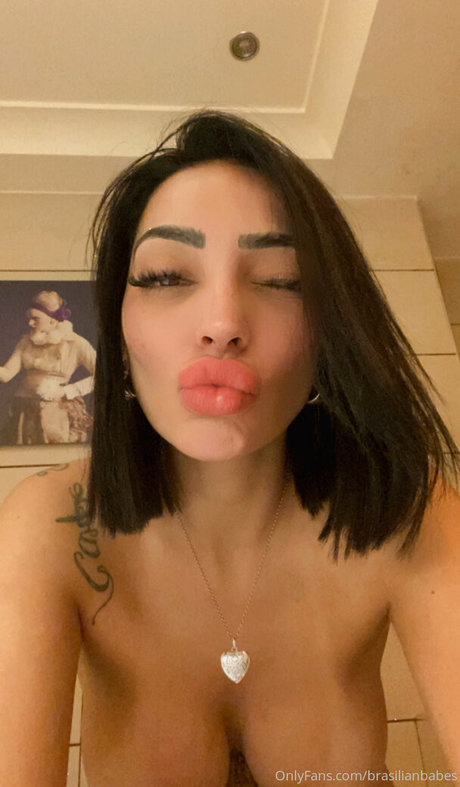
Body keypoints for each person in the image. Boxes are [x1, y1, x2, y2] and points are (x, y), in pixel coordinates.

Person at [0, 110, 459, 786]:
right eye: (165, 276)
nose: (221, 323)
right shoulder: (48, 526)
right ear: (119, 336)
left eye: (280, 279)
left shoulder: (412, 513)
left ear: (328, 337)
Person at [0, 289, 96, 444]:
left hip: (56, 411)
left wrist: (68, 391)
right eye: (29, 318)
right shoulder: (25, 342)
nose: (30, 323)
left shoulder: (75, 343)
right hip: (24, 410)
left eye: (35, 318)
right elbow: (6, 374)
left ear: (52, 320)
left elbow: (105, 376)